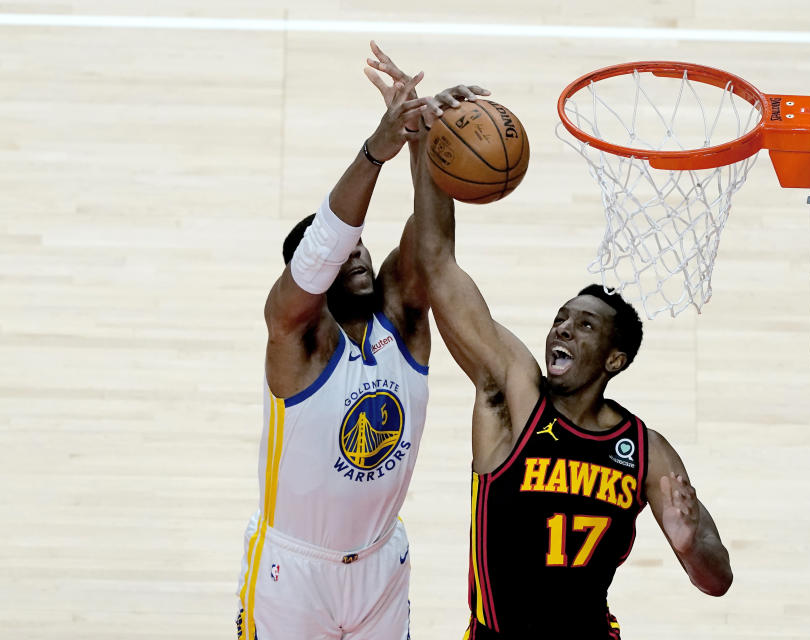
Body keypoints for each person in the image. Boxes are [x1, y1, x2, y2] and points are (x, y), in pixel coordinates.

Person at [410, 87, 734, 639]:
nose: (562, 328)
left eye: (584, 325)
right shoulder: (514, 396)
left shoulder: (644, 449)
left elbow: (716, 578)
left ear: (616, 357)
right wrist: (426, 144)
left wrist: (690, 538)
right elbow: (437, 265)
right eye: (561, 318)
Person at [235, 43, 439, 640]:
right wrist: (378, 149)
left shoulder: (401, 320)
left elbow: (431, 246)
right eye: (338, 246)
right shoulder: (296, 338)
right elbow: (322, 247)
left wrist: (427, 142)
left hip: (380, 565)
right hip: (292, 574)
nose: (353, 249)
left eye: (360, 241)